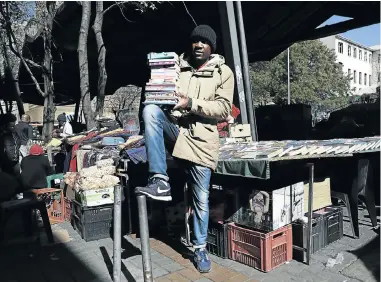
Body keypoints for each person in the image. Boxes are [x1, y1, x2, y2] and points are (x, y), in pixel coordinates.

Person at [135, 25, 234, 273]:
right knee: (151, 111)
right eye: (195, 41)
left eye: (204, 42)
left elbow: (224, 109)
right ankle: (159, 179)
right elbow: (162, 97)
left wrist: (190, 103)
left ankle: (200, 249)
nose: (198, 45)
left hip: (202, 141)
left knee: (201, 199)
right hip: (177, 131)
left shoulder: (223, 72)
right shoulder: (178, 67)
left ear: (212, 47)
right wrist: (160, 84)